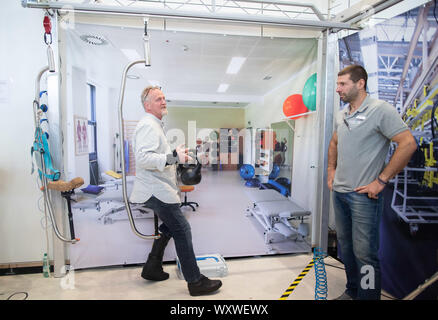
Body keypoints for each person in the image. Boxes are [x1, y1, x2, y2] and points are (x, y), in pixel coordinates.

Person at [327, 65, 417, 300]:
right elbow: (335, 142)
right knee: (345, 248)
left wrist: (381, 180)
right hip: (340, 192)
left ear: (360, 84)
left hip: (363, 196)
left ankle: (368, 297)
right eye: (337, 84)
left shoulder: (381, 110)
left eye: (342, 84)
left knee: (365, 254)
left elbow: (407, 143)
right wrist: (330, 169)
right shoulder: (342, 113)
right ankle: (352, 290)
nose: (338, 89)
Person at [129, 86, 222, 296]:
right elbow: (143, 160)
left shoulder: (155, 125)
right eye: (157, 99)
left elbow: (159, 156)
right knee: (182, 229)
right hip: (155, 190)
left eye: (164, 98)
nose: (163, 101)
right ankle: (195, 281)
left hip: (160, 188)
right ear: (147, 105)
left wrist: (177, 157)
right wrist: (173, 157)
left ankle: (152, 267)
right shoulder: (148, 125)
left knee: (171, 227)